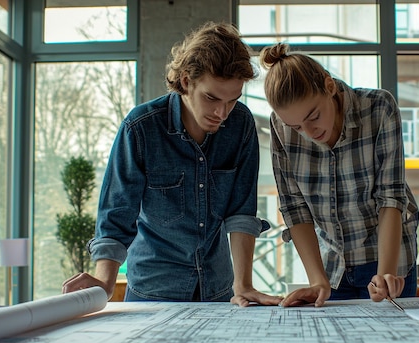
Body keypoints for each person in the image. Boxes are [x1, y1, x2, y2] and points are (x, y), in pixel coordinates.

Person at [62, 22, 282, 307]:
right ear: (187, 81)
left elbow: (241, 211)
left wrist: (244, 285)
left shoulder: (241, 124)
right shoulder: (140, 127)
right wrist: (104, 282)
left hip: (218, 290)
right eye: (211, 98)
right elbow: (117, 213)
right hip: (152, 290)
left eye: (232, 100)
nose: (222, 113)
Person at [259, 43, 419, 307]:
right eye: (296, 126)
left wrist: (385, 274)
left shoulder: (379, 108)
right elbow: (294, 207)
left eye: (313, 116)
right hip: (333, 267)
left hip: (389, 256)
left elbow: (390, 196)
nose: (308, 132)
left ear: (329, 86)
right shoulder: (280, 126)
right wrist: (317, 280)